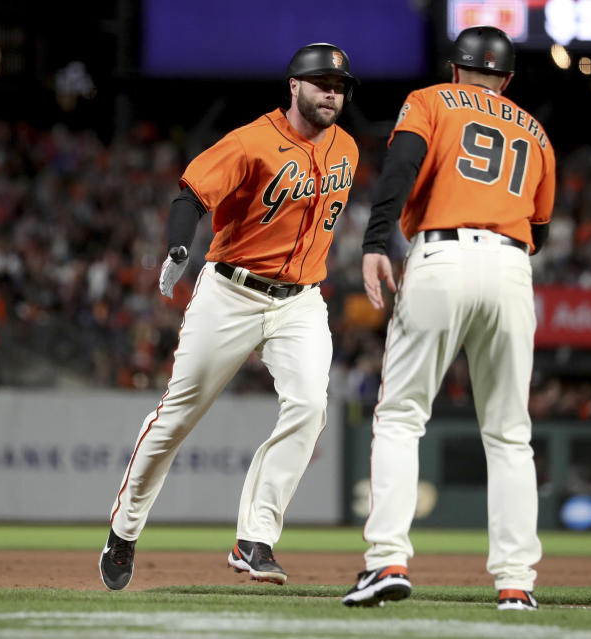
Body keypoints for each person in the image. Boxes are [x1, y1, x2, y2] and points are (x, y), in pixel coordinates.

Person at [99, 43, 359, 591]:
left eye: (338, 86)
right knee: (178, 416)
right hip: (231, 292)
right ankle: (124, 530)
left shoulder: (348, 150)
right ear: (294, 87)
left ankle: (254, 539)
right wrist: (177, 248)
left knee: (311, 406)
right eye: (320, 84)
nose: (331, 93)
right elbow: (191, 197)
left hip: (300, 300)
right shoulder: (251, 141)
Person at [342, 26, 555, 611]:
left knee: (402, 416)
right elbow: (539, 228)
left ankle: (387, 559)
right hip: (512, 269)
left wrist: (376, 241)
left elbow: (401, 167)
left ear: (454, 68)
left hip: (443, 256)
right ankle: (516, 583)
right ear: (507, 80)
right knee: (511, 434)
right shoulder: (535, 132)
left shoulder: (432, 99)